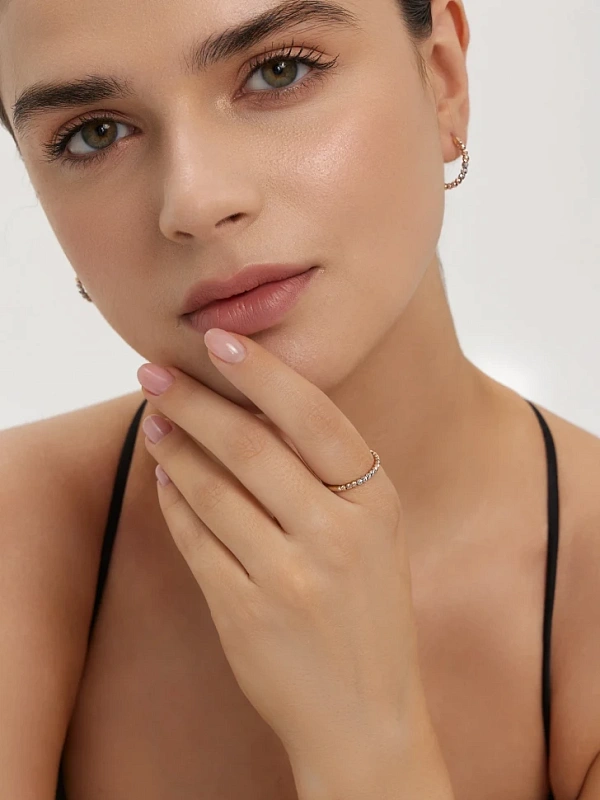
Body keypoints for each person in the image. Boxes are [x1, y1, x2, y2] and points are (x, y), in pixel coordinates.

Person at [0, 0, 599, 797]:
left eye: (278, 72)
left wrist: (366, 739)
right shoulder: (20, 530)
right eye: (94, 133)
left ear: (443, 79)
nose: (195, 202)